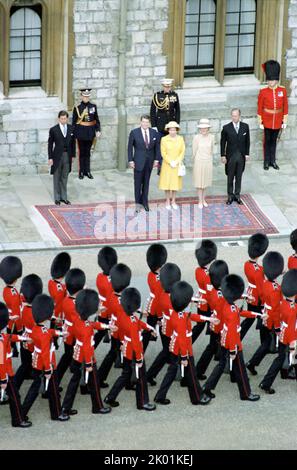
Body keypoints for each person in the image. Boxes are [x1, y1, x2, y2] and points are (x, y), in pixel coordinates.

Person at [154, 281, 217, 406]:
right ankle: (197, 397)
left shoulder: (176, 312)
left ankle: (160, 396)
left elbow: (191, 316)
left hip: (176, 347)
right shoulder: (181, 319)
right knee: (191, 373)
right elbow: (183, 339)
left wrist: (207, 318)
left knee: (173, 372)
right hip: (182, 349)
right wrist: (184, 356)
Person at [203, 275, 261, 401]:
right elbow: (233, 332)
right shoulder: (233, 310)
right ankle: (246, 393)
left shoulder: (226, 303)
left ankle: (207, 387)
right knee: (241, 369)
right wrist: (233, 350)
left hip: (224, 340)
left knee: (221, 365)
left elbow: (241, 312)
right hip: (232, 343)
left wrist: (257, 315)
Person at [61, 289, 114, 417]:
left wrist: (107, 326)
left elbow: (92, 324)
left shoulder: (79, 320)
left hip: (77, 356)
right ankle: (97, 406)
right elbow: (87, 347)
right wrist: (89, 364)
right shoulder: (85, 327)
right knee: (94, 383)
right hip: (86, 359)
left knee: (75, 383)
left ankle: (66, 408)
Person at [104, 287, 156, 411]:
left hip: (126, 348)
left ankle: (110, 397)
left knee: (126, 374)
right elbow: (137, 342)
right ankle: (142, 402)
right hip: (134, 350)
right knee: (141, 376)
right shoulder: (132, 321)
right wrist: (139, 359)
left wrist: (149, 328)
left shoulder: (123, 314)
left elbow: (138, 322)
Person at [22, 294, 69, 422]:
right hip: (46, 364)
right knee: (52, 390)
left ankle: (22, 411)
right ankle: (57, 413)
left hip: (38, 362)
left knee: (35, 388)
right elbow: (45, 353)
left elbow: (48, 332)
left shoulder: (37, 328)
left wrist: (59, 333)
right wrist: (48, 370)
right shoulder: (43, 333)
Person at [246, 251, 284, 376]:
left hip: (265, 312)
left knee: (266, 342)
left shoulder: (265, 283)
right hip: (272, 318)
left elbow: (262, 296)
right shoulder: (276, 288)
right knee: (273, 344)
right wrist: (278, 327)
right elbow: (275, 310)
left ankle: (252, 363)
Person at [259, 269, 297, 394]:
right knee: (291, 358)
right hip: (291, 336)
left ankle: (266, 382)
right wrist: (293, 342)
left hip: (282, 332)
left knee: (280, 358)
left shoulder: (283, 303)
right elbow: (292, 327)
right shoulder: (292, 308)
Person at [146, 263, 181, 387]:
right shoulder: (167, 296)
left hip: (166, 325)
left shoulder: (164, 293)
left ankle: (150, 375)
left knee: (167, 351)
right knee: (170, 351)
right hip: (169, 327)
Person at [0, 302, 32, 428]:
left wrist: (23, 339)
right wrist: (3, 379)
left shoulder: (3, 336)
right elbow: (1, 363)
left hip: (5, 372)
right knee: (14, 396)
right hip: (6, 373)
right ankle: (18, 419)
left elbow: (9, 337)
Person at [195, 260, 229, 379]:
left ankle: (199, 370)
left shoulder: (212, 290)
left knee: (213, 347)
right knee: (227, 347)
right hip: (222, 324)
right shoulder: (221, 295)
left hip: (215, 322)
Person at [56, 268, 86, 386]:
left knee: (68, 356)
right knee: (77, 358)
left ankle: (56, 379)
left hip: (67, 331)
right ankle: (83, 385)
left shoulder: (66, 299)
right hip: (75, 333)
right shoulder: (76, 304)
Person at [257, 60, 288, 170]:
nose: (270, 82)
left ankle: (273, 161)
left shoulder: (282, 91)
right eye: (269, 80)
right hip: (267, 120)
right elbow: (260, 107)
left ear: (276, 80)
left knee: (274, 142)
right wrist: (260, 121)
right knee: (267, 142)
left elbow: (285, 106)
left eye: (273, 80)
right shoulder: (263, 91)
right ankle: (266, 162)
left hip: (278, 120)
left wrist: (284, 120)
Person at [14, 274, 43, 390]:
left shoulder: (23, 306)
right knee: (36, 365)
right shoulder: (34, 311)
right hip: (33, 340)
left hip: (25, 337)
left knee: (25, 364)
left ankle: (14, 386)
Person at [127, 115, 161, 213]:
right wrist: (130, 160)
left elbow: (157, 148)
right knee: (137, 184)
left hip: (149, 162)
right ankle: (138, 204)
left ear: (149, 123)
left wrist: (156, 160)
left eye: (147, 122)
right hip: (138, 162)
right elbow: (129, 148)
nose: (145, 124)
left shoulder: (154, 133)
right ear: (140, 122)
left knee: (146, 183)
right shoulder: (134, 133)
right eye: (143, 122)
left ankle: (145, 202)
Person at [240, 233, 269, 341]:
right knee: (262, 318)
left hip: (250, 294)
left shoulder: (247, 264)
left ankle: (239, 335)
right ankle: (265, 343)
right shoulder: (258, 271)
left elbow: (261, 269)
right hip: (257, 298)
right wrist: (265, 301)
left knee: (249, 318)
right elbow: (261, 289)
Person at [220, 108, 250, 205]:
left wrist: (247, 154)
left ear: (239, 116)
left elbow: (247, 141)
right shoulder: (226, 128)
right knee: (230, 176)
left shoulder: (245, 127)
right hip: (231, 156)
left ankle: (237, 195)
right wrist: (223, 155)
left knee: (239, 176)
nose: (234, 117)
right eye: (232, 115)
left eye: (236, 116)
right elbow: (222, 142)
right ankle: (230, 196)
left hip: (241, 155)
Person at [142, 243, 168, 352]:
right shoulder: (159, 279)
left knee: (157, 330)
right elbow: (158, 299)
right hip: (156, 309)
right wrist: (159, 315)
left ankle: (167, 351)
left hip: (153, 306)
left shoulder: (151, 274)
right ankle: (140, 351)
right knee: (155, 330)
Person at [48, 110, 76, 205]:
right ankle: (57, 198)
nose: (63, 120)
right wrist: (50, 157)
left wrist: (73, 155)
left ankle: (64, 197)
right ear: (59, 119)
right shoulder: (53, 130)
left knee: (65, 176)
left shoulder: (71, 128)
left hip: (67, 155)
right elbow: (50, 144)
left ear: (67, 119)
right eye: (62, 118)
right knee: (57, 176)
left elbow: (73, 143)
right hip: (57, 156)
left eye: (65, 118)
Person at [72, 88, 101, 179]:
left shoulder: (93, 106)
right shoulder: (77, 108)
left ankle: (87, 171)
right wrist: (74, 133)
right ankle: (81, 172)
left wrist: (98, 130)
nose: (86, 98)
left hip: (90, 132)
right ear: (81, 96)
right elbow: (74, 122)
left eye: (87, 96)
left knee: (88, 152)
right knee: (81, 152)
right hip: (81, 132)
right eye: (84, 96)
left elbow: (96, 120)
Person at [94, 246, 118, 348]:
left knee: (99, 332)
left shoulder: (99, 277)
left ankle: (89, 352)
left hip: (103, 309)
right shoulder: (116, 277)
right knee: (117, 335)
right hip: (114, 309)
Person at [158, 121, 185, 210]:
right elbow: (163, 152)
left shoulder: (180, 139)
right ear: (168, 130)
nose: (172, 131)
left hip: (177, 165)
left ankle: (173, 201)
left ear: (176, 130)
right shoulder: (164, 139)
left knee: (175, 184)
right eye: (170, 130)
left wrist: (176, 161)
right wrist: (170, 162)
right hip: (167, 165)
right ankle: (167, 201)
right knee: (167, 184)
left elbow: (182, 151)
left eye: (174, 130)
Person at [0, 256, 23, 358]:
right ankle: (14, 352)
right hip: (14, 321)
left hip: (8, 318)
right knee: (15, 339)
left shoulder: (6, 289)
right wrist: (19, 327)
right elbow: (16, 311)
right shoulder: (13, 293)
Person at [48, 252, 71, 349]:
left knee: (53, 329)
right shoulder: (60, 289)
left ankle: (53, 342)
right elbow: (60, 302)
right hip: (58, 312)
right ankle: (53, 343)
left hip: (53, 310)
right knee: (56, 330)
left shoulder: (51, 282)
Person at [192, 118, 214, 209]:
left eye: (205, 128)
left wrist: (209, 158)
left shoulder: (212, 137)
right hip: (199, 161)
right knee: (199, 182)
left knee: (205, 182)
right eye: (202, 128)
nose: (203, 130)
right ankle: (200, 200)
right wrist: (195, 160)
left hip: (208, 161)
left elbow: (212, 150)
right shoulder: (196, 137)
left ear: (208, 128)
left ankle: (204, 199)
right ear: (199, 129)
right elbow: (194, 151)